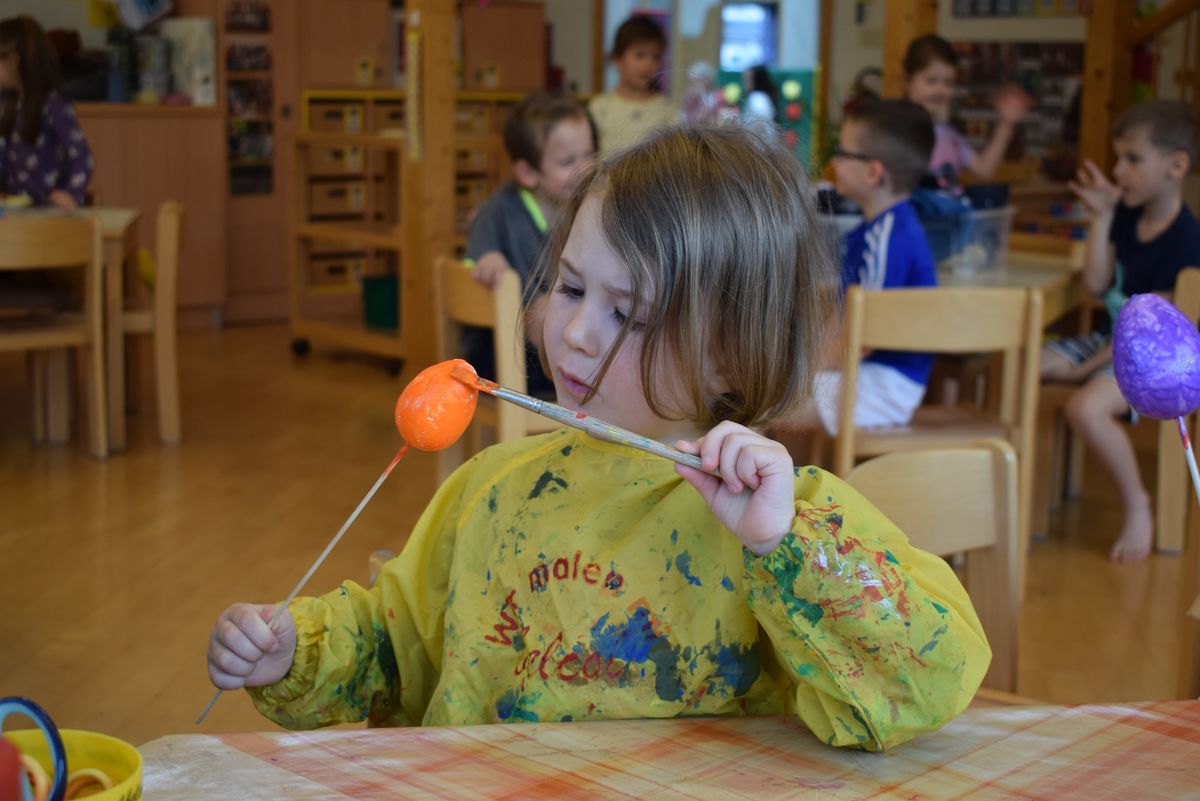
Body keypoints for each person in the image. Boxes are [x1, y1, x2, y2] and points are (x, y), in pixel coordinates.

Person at [206, 122, 989, 751]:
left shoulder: (779, 520)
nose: (576, 332)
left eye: (632, 314)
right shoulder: (492, 487)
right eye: (571, 287)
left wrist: (783, 547)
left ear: (733, 353)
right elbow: (394, 648)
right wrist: (296, 650)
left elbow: (927, 684)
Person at [1042, 100, 1200, 562]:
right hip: (1105, 341)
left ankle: (1138, 505)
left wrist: (1082, 371)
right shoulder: (1127, 217)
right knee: (1025, 364)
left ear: (1176, 165)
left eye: (1132, 159)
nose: (1118, 170)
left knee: (1086, 408)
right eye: (1118, 158)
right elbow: (1095, 285)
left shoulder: (1188, 241)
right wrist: (1102, 217)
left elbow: (1147, 344)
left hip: (1152, 364)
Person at [782, 99, 938, 438]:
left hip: (883, 385)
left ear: (873, 172)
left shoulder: (889, 239)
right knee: (767, 392)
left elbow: (864, 336)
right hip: (865, 374)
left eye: (842, 152)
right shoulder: (873, 231)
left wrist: (803, 369)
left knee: (766, 404)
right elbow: (841, 319)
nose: (833, 161)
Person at [464, 92, 596, 396]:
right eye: (567, 161)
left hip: (564, 349)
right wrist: (489, 260)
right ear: (527, 172)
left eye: (590, 154)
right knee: (544, 310)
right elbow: (477, 262)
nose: (585, 168)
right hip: (505, 355)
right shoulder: (499, 209)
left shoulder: (589, 209)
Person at [903, 34, 1029, 189]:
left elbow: (984, 170)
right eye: (931, 81)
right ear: (908, 81)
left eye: (948, 83)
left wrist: (1006, 124)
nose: (940, 90)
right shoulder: (894, 130)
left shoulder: (948, 134)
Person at [0, 15, 93, 209]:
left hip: (49, 214)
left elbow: (82, 156)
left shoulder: (53, 104)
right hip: (16, 213)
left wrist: (73, 195)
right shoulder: (7, 104)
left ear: (14, 61)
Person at [588, 16, 677, 155]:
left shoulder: (667, 110)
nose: (648, 64)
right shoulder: (599, 108)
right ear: (617, 59)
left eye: (656, 57)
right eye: (640, 55)